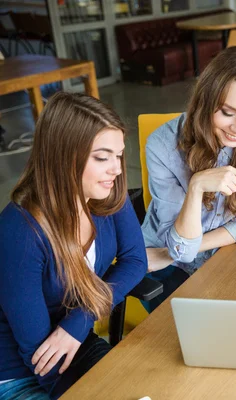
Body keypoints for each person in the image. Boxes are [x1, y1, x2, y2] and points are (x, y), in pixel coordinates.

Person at [0, 92, 147, 400]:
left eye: (119, 155)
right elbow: (41, 359)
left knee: (144, 388)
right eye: (103, 157)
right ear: (64, 156)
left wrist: (79, 321)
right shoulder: (20, 230)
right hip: (19, 371)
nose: (117, 169)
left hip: (74, 341)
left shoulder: (104, 192)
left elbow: (135, 261)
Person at [141, 46, 236, 310]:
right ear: (206, 101)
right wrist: (196, 186)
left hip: (207, 256)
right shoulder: (162, 146)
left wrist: (169, 255)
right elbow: (181, 249)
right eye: (227, 113)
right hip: (164, 269)